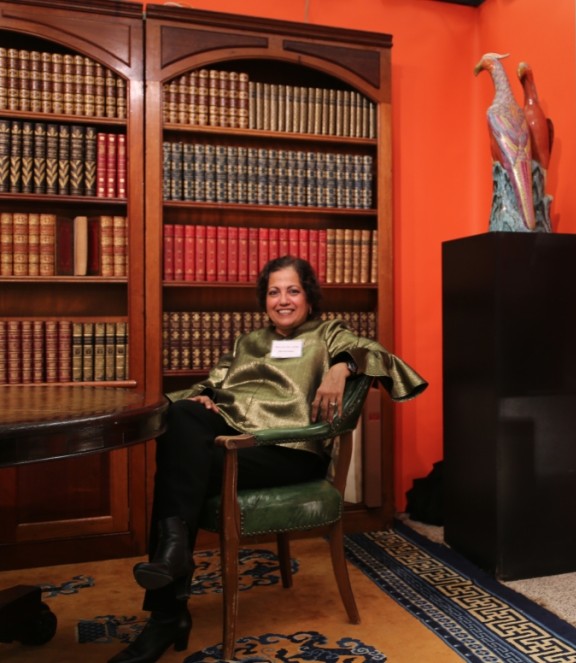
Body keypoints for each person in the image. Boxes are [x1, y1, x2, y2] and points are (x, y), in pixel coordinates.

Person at [109, 255, 427, 663]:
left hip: (289, 452)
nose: (283, 300)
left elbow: (380, 356)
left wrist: (341, 367)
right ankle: (172, 572)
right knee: (183, 417)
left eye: (293, 290)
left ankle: (167, 610)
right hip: (235, 444)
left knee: (180, 470)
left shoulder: (329, 333)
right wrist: (204, 396)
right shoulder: (249, 343)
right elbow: (212, 382)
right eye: (274, 292)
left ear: (309, 298)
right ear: (264, 301)